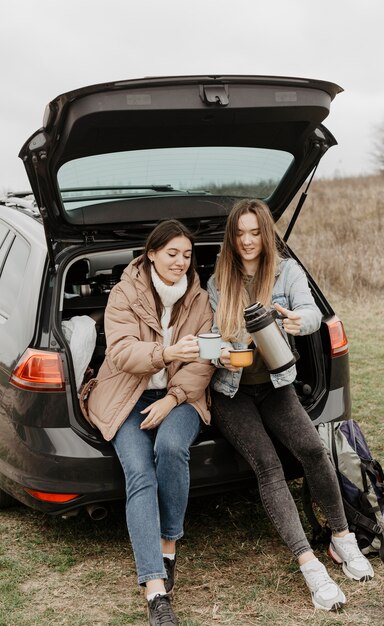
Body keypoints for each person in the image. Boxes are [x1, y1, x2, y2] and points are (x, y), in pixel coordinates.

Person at [206, 199, 374, 612]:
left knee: (314, 451)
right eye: (240, 233)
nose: (247, 241)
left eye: (254, 232)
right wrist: (223, 352)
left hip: (276, 385)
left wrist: (301, 321)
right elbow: (212, 335)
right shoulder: (218, 281)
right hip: (232, 392)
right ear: (232, 236)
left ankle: (341, 539)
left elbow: (310, 311)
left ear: (265, 232)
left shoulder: (286, 271)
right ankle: (309, 564)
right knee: (269, 466)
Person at [82, 220, 214, 626]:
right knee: (140, 474)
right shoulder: (124, 294)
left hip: (182, 396)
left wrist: (172, 399)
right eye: (172, 253)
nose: (181, 262)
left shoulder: (200, 299)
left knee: (171, 447)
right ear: (151, 253)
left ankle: (168, 545)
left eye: (187, 255)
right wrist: (168, 351)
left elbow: (204, 361)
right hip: (127, 394)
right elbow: (122, 353)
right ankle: (156, 591)